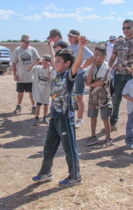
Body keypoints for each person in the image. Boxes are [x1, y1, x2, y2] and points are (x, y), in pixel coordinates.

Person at [32, 36, 88, 187]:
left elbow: (76, 64)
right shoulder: (57, 74)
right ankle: (45, 172)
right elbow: (53, 57)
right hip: (54, 118)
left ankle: (75, 177)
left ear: (67, 64)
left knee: (69, 149)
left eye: (58, 62)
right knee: (49, 147)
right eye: (55, 61)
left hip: (65, 119)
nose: (54, 64)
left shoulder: (69, 76)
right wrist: (51, 46)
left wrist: (81, 48)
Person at [108, 19, 133, 131]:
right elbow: (112, 58)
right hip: (119, 75)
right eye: (124, 28)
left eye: (128, 27)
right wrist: (107, 71)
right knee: (116, 99)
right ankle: (113, 122)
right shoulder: (119, 42)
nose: (126, 30)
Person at [84, 46, 113, 146]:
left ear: (103, 57)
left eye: (97, 55)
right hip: (93, 98)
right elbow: (88, 80)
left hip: (104, 97)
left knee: (105, 118)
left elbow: (102, 82)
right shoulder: (91, 68)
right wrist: (91, 68)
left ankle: (108, 138)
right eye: (94, 55)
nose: (94, 57)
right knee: (93, 117)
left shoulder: (106, 68)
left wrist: (90, 85)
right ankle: (93, 136)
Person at [68, 29, 94, 128]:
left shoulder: (81, 47)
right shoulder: (68, 47)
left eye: (73, 36)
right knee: (72, 96)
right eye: (69, 36)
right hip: (70, 74)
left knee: (79, 96)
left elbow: (92, 57)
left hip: (79, 75)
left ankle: (80, 120)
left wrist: (84, 66)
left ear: (77, 38)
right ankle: (72, 117)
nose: (70, 38)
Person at [11, 34, 40, 114]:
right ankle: (19, 106)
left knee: (32, 92)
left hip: (31, 76)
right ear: (22, 41)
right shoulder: (17, 50)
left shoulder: (33, 50)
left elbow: (38, 60)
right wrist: (14, 74)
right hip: (21, 76)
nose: (28, 43)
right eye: (26, 41)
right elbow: (14, 63)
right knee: (20, 92)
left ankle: (34, 107)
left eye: (29, 41)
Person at [28, 54, 55, 126]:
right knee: (38, 104)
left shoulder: (52, 70)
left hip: (47, 90)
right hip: (38, 89)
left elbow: (49, 78)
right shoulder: (37, 68)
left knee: (46, 104)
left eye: (46, 62)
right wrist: (35, 62)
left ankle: (45, 117)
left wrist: (48, 67)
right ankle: (36, 117)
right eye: (43, 62)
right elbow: (29, 69)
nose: (44, 64)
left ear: (49, 62)